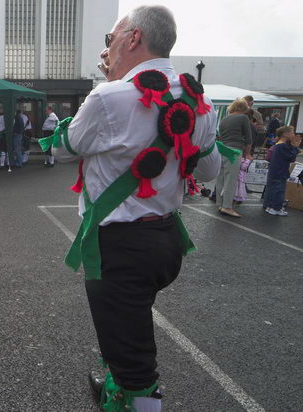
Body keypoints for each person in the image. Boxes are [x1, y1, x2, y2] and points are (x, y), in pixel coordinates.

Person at [53, 6, 220, 411]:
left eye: (109, 40)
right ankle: (115, 384)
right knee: (125, 330)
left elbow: (61, 150)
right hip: (165, 241)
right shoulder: (200, 100)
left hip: (120, 248)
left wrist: (109, 84)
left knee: (136, 362)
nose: (106, 49)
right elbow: (212, 170)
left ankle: (134, 395)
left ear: (133, 39)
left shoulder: (108, 96)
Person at [216, 98, 252, 217]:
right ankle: (227, 206)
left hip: (222, 149)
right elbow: (248, 138)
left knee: (221, 177)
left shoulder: (224, 119)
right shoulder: (243, 117)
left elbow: (220, 136)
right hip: (234, 150)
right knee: (231, 179)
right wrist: (248, 154)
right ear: (244, 108)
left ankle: (220, 204)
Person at [264, 126, 301, 216]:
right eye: (292, 133)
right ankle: (276, 208)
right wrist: (296, 147)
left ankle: (269, 206)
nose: (294, 135)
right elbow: (291, 157)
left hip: (274, 170)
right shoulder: (282, 146)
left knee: (272, 188)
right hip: (280, 171)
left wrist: (294, 146)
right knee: (279, 190)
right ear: (285, 134)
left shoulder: (277, 145)